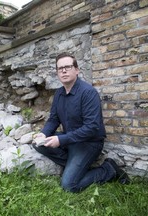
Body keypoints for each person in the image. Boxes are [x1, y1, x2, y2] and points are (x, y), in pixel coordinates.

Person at [33, 52, 130, 193]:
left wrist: (61, 139)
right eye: (60, 68)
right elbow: (53, 119)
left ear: (77, 70)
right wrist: (43, 134)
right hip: (70, 140)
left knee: (69, 186)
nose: (64, 70)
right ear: (57, 72)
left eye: (68, 67)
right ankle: (76, 166)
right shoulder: (59, 94)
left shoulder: (88, 93)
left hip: (89, 143)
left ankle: (108, 169)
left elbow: (92, 128)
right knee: (38, 144)